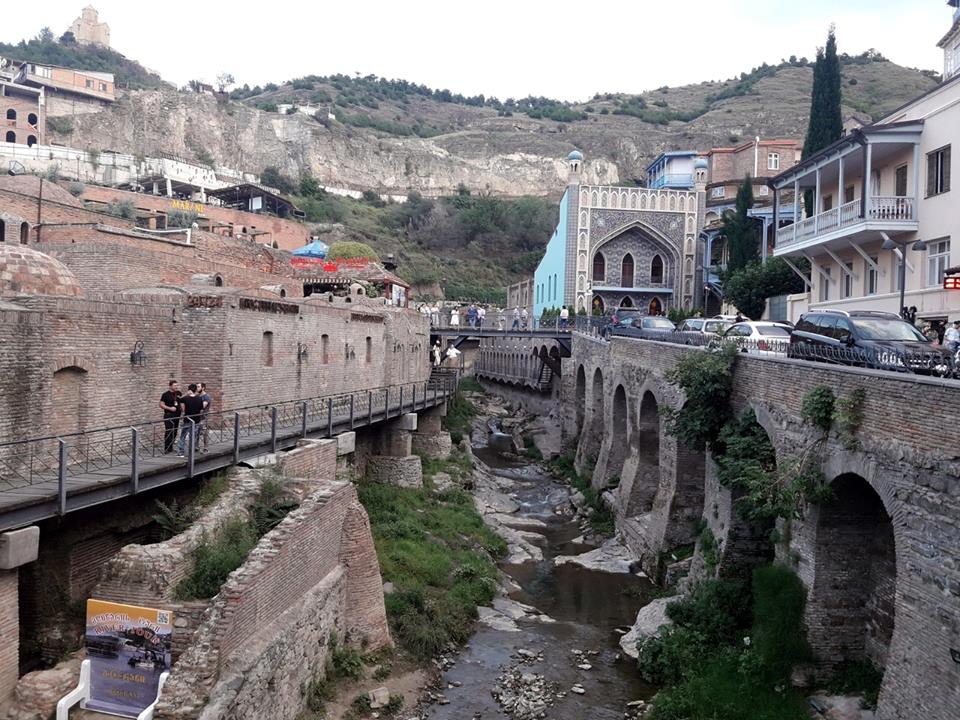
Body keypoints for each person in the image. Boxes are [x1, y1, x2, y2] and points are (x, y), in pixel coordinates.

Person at [177, 384, 207, 457]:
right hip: (196, 420)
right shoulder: (199, 398)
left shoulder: (185, 398)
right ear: (195, 390)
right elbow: (201, 409)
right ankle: (191, 451)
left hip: (187, 419)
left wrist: (186, 394)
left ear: (189, 390)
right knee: (193, 436)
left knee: (183, 436)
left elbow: (179, 400)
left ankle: (181, 452)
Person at [159, 381, 181, 454]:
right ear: (170, 386)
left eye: (177, 385)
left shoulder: (178, 393)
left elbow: (181, 401)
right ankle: (166, 448)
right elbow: (161, 405)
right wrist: (170, 408)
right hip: (169, 415)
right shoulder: (165, 394)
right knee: (169, 431)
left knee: (175, 432)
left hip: (177, 415)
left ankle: (171, 447)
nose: (176, 387)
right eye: (174, 385)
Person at [197, 382, 212, 453]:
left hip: (204, 418)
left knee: (204, 433)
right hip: (197, 418)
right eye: (197, 387)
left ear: (203, 388)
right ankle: (196, 447)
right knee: (196, 432)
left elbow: (202, 406)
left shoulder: (206, 397)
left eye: (198, 387)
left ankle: (205, 448)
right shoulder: (197, 396)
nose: (197, 388)